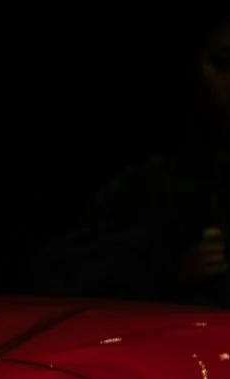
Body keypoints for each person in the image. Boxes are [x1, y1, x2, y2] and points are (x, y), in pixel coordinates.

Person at [33, 15, 230, 302]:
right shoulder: (147, 187)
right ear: (190, 71)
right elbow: (56, 279)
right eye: (223, 63)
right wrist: (165, 273)